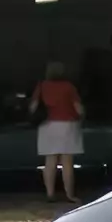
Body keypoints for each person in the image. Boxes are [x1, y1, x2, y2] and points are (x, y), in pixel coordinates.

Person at [33, 61, 84, 204]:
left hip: (46, 126)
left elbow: (33, 107)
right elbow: (78, 108)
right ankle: (70, 195)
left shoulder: (42, 86)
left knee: (50, 161)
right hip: (68, 125)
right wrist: (82, 117)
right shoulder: (69, 87)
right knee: (67, 162)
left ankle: (50, 194)